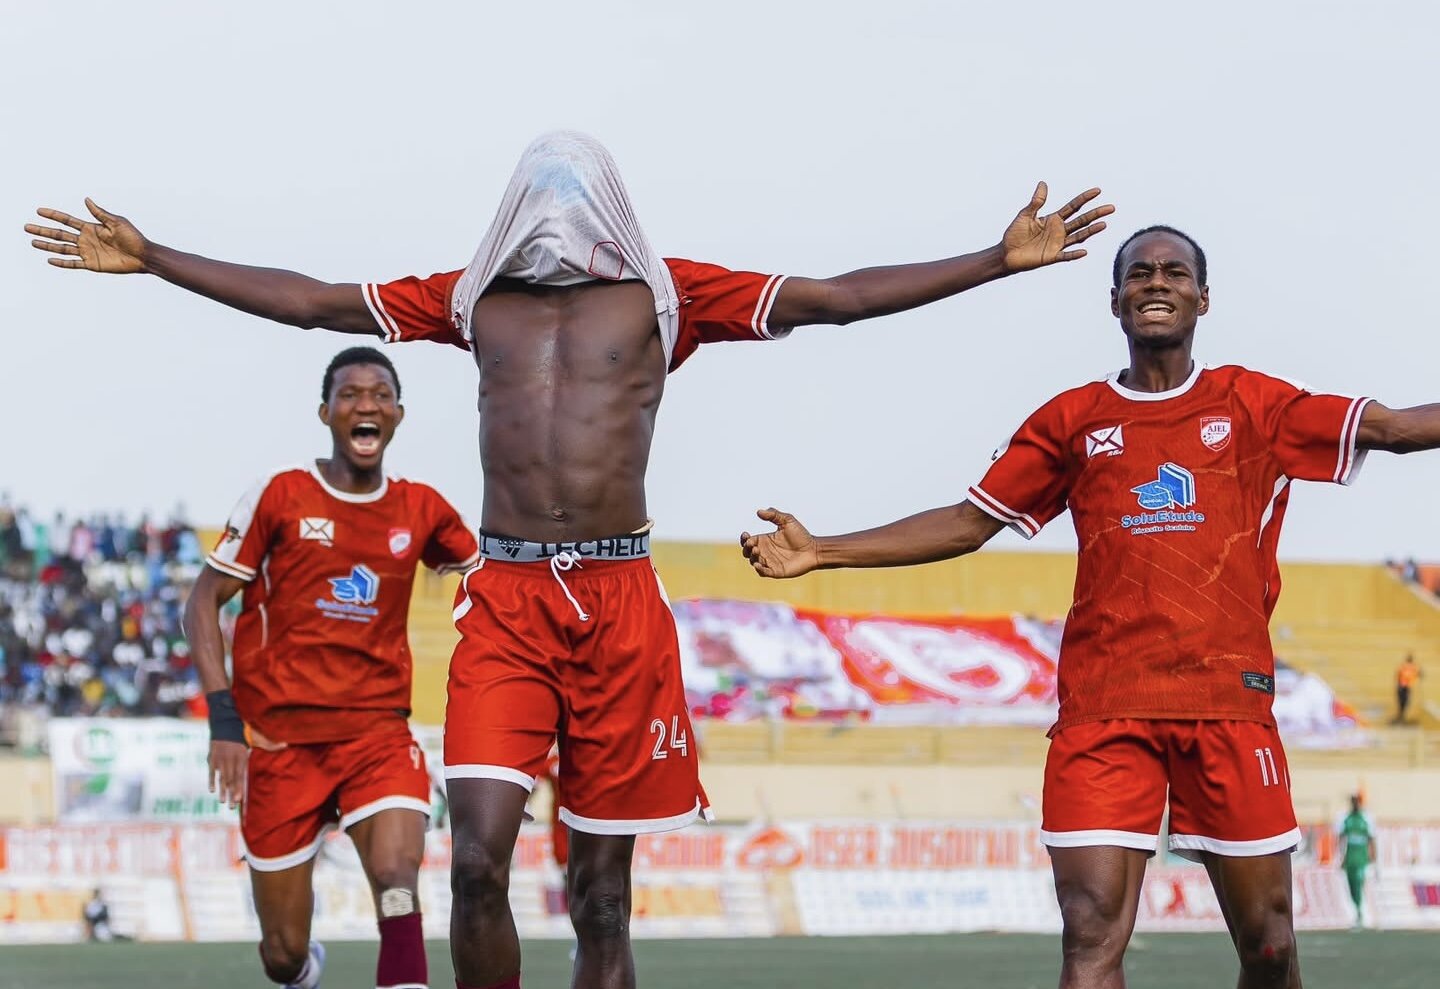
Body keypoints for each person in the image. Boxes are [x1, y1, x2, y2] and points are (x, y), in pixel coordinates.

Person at [27, 130, 1112, 989]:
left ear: (614, 205)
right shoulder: (471, 301)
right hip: (507, 598)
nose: (554, 207)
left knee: (601, 893)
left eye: (575, 188)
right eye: (535, 189)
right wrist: (155, 257)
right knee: (478, 858)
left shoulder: (666, 297)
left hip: (620, 596)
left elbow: (834, 298)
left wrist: (992, 261)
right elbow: (313, 303)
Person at [740, 224, 1440, 989]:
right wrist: (825, 549)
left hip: (1227, 706)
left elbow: (1397, 428)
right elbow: (970, 521)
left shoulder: (1255, 405)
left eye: (1175, 272)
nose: (1156, 282)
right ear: (1114, 300)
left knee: (1270, 947)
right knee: (1090, 938)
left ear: (1204, 298)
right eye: (1139, 273)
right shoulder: (1073, 418)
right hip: (1105, 711)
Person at [182, 347, 478, 989]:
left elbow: (483, 571)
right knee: (282, 953)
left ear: (398, 414)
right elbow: (202, 601)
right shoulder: (282, 495)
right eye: (349, 394)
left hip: (376, 736)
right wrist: (224, 722)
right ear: (325, 412)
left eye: (379, 393)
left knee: (399, 882)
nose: (365, 403)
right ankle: (301, 971)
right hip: (279, 746)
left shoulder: (421, 508)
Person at [1337, 794, 1377, 929]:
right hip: (1350, 858)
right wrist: (1341, 857)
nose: (1354, 804)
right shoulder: (1347, 819)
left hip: (1361, 858)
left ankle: (1360, 912)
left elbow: (1371, 838)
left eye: (1356, 802)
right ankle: (1356, 910)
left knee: (1359, 882)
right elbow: (1341, 839)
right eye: (1352, 802)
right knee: (1351, 885)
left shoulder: (1365, 819)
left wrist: (1373, 855)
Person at [1395, 654, 1421, 723]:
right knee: (1403, 702)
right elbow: (1402, 675)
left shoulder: (1409, 667)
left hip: (1405, 687)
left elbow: (1415, 674)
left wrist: (1419, 673)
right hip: (1403, 687)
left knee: (1405, 702)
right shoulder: (1406, 667)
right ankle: (1401, 716)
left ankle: (1402, 716)